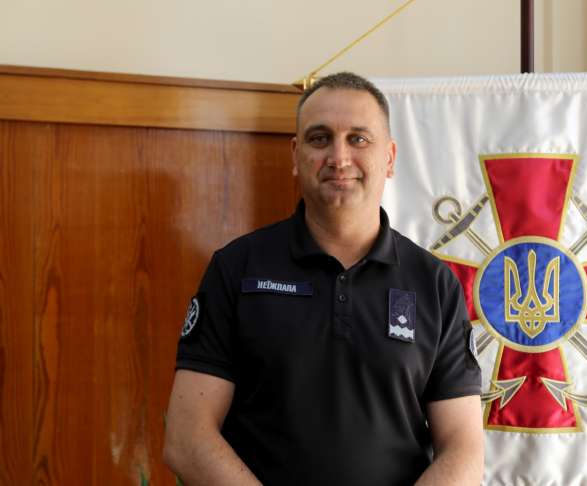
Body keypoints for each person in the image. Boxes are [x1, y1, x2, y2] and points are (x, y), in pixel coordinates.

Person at [163, 72, 483, 485]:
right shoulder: (237, 268)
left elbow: (464, 451)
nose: (339, 157)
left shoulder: (434, 284)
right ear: (296, 155)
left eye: (358, 139)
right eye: (320, 138)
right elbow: (187, 438)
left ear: (389, 158)